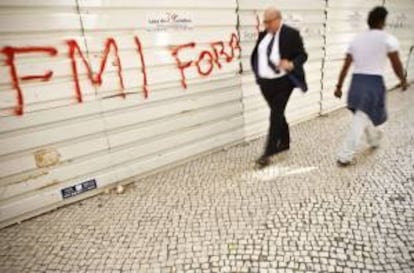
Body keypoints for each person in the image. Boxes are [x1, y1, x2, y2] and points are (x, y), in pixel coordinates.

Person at [334, 6, 408, 166]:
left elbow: (345, 66)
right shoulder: (388, 39)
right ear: (382, 21)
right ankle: (344, 155)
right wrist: (402, 79)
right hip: (373, 84)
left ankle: (373, 139)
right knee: (361, 117)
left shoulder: (357, 40)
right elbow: (396, 63)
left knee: (363, 115)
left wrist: (339, 86)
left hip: (357, 82)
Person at [250, 7, 308, 168]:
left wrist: (291, 64)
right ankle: (285, 141)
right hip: (265, 83)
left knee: (275, 115)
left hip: (283, 82)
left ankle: (268, 153)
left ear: (278, 19)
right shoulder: (263, 34)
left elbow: (302, 55)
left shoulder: (291, 34)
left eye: (268, 21)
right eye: (264, 21)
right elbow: (257, 55)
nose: (265, 24)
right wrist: (258, 76)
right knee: (277, 112)